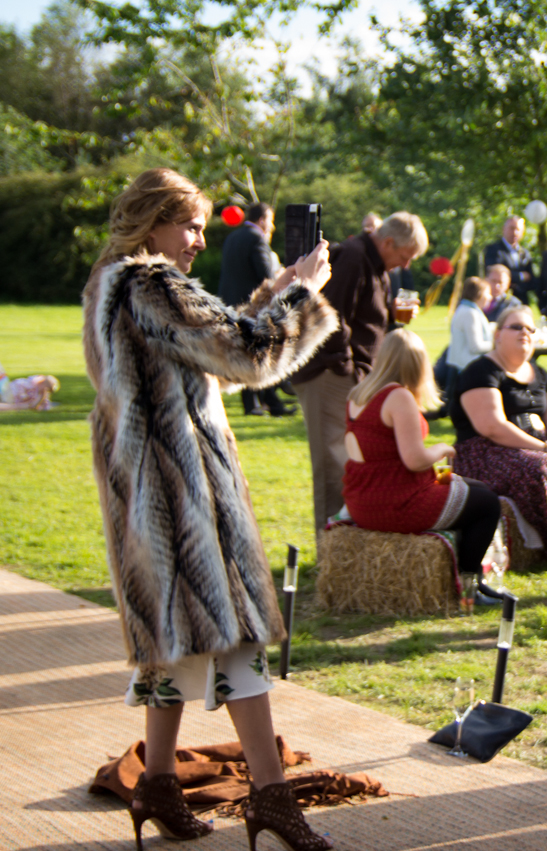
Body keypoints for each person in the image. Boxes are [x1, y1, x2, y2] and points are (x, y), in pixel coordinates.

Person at [82, 168, 338, 851]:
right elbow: (246, 355)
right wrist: (305, 296)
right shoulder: (151, 283)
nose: (199, 240)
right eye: (189, 224)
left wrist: (276, 290)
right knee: (236, 633)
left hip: (143, 489)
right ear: (153, 221)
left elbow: (215, 337)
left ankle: (158, 781)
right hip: (182, 490)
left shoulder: (107, 285)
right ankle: (272, 797)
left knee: (172, 638)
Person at [291, 212, 429, 535]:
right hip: (329, 372)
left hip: (349, 373)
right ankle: (332, 546)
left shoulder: (373, 262)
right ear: (389, 241)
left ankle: (347, 539)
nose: (405, 265)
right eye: (404, 256)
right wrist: (346, 365)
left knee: (351, 459)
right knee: (333, 461)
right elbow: (330, 312)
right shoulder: (354, 257)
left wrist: (392, 314)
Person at [449, 305, 547, 572]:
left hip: (536, 445)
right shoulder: (480, 371)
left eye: (530, 329)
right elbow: (491, 426)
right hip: (485, 451)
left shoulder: (541, 374)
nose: (525, 332)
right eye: (516, 327)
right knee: (542, 468)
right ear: (498, 334)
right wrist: (546, 447)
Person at [342, 328, 501, 578]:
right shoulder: (398, 397)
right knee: (488, 505)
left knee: (478, 489)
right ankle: (469, 580)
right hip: (396, 503)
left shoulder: (359, 394)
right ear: (418, 364)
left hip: (361, 500)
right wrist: (441, 449)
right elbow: (415, 460)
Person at [218, 202, 296, 418]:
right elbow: (265, 275)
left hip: (231, 303)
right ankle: (268, 403)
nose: (272, 227)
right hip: (252, 306)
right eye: (270, 221)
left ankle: (259, 404)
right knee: (259, 354)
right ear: (262, 220)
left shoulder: (232, 237)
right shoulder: (256, 239)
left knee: (247, 354)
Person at [447, 276, 494, 385]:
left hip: (461, 367)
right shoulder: (471, 313)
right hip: (467, 369)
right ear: (480, 294)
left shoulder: (463, 309)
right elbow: (475, 347)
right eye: (488, 293)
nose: (490, 297)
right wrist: (498, 344)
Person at [484, 216, 535, 304]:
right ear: (504, 229)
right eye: (511, 228)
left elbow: (532, 279)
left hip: (522, 301)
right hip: (499, 302)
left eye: (518, 229)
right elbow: (493, 272)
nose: (514, 232)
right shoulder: (493, 250)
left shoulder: (525, 253)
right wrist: (521, 276)